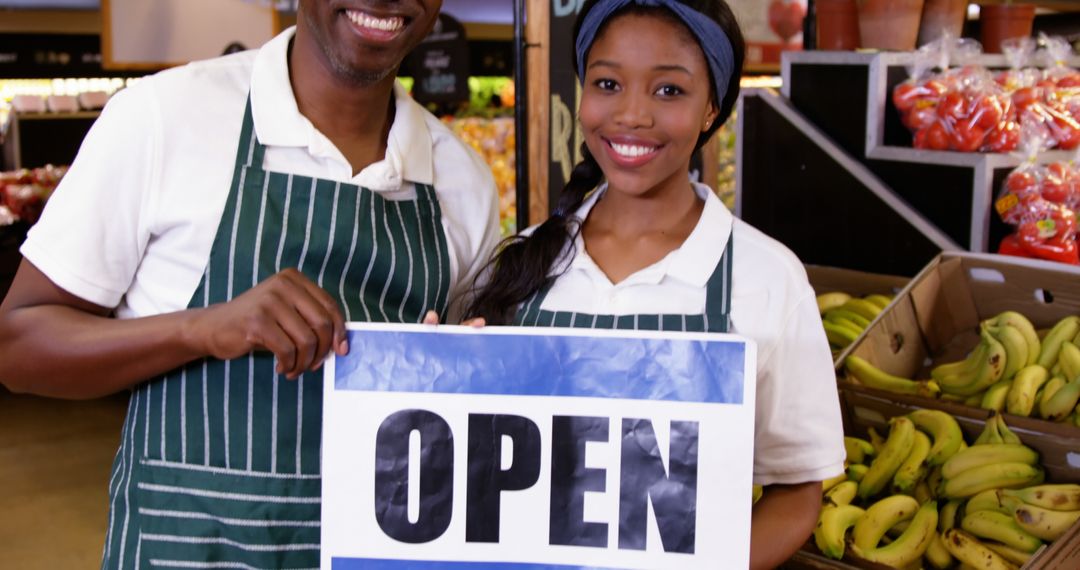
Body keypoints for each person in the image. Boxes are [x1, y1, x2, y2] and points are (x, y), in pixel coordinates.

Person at [0, 0, 499, 567]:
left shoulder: (461, 181)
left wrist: (464, 375)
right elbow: (17, 345)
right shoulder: (164, 117)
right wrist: (201, 329)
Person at [465, 1, 845, 567]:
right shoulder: (520, 267)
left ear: (712, 106)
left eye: (668, 91)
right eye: (608, 83)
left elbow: (797, 492)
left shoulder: (766, 277)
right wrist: (439, 369)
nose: (632, 115)